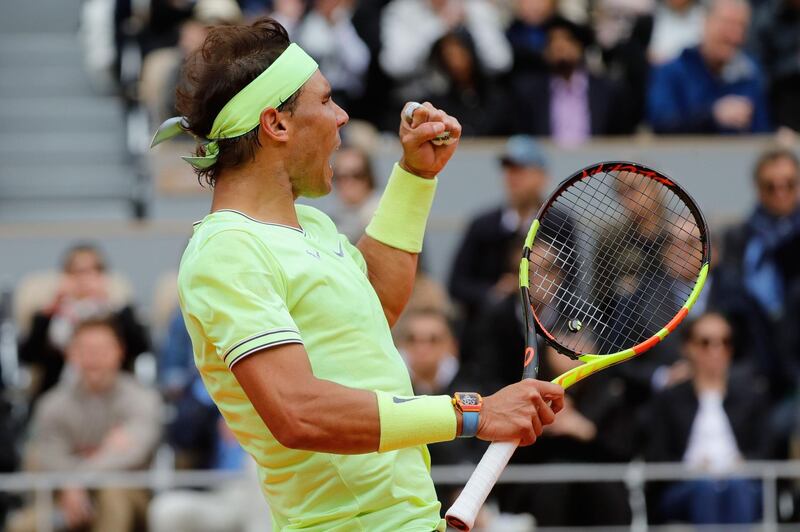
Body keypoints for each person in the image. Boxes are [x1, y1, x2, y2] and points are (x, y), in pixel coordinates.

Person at [152, 18, 565, 531]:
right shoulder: (226, 251)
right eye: (325, 102)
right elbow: (297, 410)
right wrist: (472, 414)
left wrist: (414, 178)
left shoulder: (310, 225)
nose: (342, 116)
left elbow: (373, 307)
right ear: (275, 125)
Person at [8, 318, 162, 532]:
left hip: (129, 496)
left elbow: (133, 454)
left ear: (120, 351)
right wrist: (76, 482)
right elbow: (49, 457)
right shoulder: (52, 404)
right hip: (65, 497)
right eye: (85, 349)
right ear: (70, 354)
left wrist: (78, 478)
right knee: (22, 525)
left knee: (112, 494)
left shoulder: (143, 399)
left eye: (101, 349)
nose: (94, 357)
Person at [643, 312, 770, 524]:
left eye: (725, 342)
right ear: (688, 347)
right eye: (705, 343)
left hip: (740, 482)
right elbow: (656, 455)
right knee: (705, 487)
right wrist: (690, 468)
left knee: (738, 486)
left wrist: (742, 464)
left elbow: (765, 450)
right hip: (686, 485)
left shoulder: (751, 397)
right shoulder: (669, 399)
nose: (716, 351)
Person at [448, 135, 550, 370]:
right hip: (489, 343)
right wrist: (495, 291)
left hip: (546, 336)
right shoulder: (482, 225)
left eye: (521, 169)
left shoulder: (559, 224)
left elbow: (571, 283)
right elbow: (457, 283)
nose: (513, 177)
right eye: (508, 169)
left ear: (541, 177)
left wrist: (536, 288)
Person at [18, 243, 150, 402]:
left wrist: (112, 304)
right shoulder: (48, 316)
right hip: (60, 397)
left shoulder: (119, 312)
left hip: (113, 397)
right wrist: (51, 311)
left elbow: (141, 348)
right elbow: (27, 356)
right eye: (77, 272)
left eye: (93, 271)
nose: (85, 279)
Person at [647, 0, 771, 134]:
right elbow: (660, 124)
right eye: (727, 24)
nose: (733, 35)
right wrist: (711, 116)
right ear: (705, 22)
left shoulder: (749, 73)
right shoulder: (672, 71)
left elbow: (762, 132)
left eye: (741, 26)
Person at [509, 16, 628, 145]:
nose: (559, 46)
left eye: (567, 40)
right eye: (552, 41)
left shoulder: (608, 90)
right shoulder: (529, 92)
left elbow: (620, 137)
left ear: (580, 46)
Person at [328, 144, 380, 243]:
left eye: (357, 175)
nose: (349, 182)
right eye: (341, 176)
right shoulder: (336, 216)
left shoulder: (378, 211)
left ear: (368, 178)